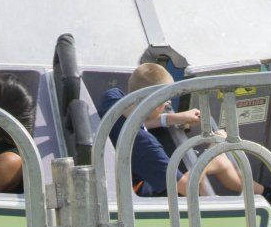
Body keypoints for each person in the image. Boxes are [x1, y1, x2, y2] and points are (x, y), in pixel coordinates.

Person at [100, 63, 249, 198]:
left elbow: (139, 121)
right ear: (154, 101)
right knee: (218, 163)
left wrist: (174, 118)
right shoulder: (146, 147)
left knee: (222, 164)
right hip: (141, 196)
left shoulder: (113, 98)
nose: (168, 103)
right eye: (167, 98)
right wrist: (211, 155)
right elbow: (186, 186)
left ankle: (265, 192)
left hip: (121, 175)